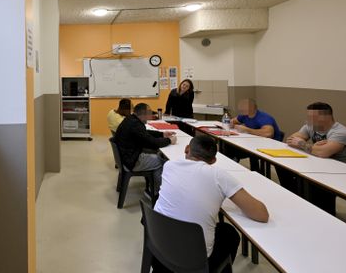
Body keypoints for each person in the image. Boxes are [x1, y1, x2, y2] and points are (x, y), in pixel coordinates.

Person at [154, 135, 269, 272]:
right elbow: (262, 215)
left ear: (187, 149)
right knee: (229, 233)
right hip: (193, 263)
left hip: (158, 252)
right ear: (214, 160)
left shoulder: (169, 165)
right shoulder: (219, 176)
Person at [278, 102, 346, 215]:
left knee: (314, 185)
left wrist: (303, 144)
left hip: (345, 173)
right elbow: (290, 140)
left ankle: (324, 214)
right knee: (283, 168)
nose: (308, 120)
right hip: (323, 165)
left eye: (312, 117)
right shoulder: (310, 126)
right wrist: (313, 147)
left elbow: (323, 152)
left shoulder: (341, 132)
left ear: (326, 117)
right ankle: (300, 202)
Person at [113, 103, 176, 187]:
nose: (150, 116)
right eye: (149, 113)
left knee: (156, 156)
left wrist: (162, 134)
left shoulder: (131, 119)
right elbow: (153, 143)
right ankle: (155, 192)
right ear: (143, 114)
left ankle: (151, 190)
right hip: (132, 161)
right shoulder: (136, 125)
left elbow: (144, 134)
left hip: (126, 158)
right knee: (161, 162)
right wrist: (169, 140)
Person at [226, 99, 283, 171]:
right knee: (229, 146)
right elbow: (233, 121)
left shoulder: (263, 117)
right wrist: (232, 124)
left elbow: (268, 134)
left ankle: (256, 172)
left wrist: (247, 129)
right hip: (253, 142)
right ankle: (230, 166)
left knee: (239, 150)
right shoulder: (244, 115)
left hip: (270, 145)